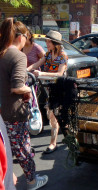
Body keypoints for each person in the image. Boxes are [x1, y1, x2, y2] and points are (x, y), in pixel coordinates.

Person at [0, 17, 48, 190]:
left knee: (5, 150)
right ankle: (32, 182)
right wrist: (28, 90)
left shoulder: (2, 52)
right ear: (20, 37)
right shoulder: (18, 56)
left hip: (1, 113)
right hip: (13, 112)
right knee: (23, 150)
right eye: (27, 37)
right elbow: (17, 86)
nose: (27, 41)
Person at [27, 30, 68, 154]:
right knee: (53, 115)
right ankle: (66, 136)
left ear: (55, 43)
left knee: (55, 115)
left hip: (61, 89)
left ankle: (53, 143)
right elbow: (37, 64)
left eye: (48, 41)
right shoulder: (49, 54)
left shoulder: (63, 56)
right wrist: (25, 70)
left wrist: (41, 73)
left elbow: (60, 74)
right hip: (50, 88)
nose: (46, 43)